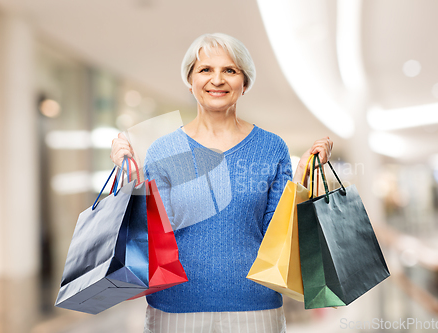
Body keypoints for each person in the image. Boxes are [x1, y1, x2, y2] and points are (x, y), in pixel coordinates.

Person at [110, 33, 333, 333]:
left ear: (245, 83)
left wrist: (303, 176)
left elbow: (277, 233)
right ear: (190, 81)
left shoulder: (271, 147)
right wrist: (128, 178)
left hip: (255, 310)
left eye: (230, 70)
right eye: (205, 70)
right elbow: (149, 233)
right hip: (176, 310)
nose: (218, 79)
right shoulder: (164, 151)